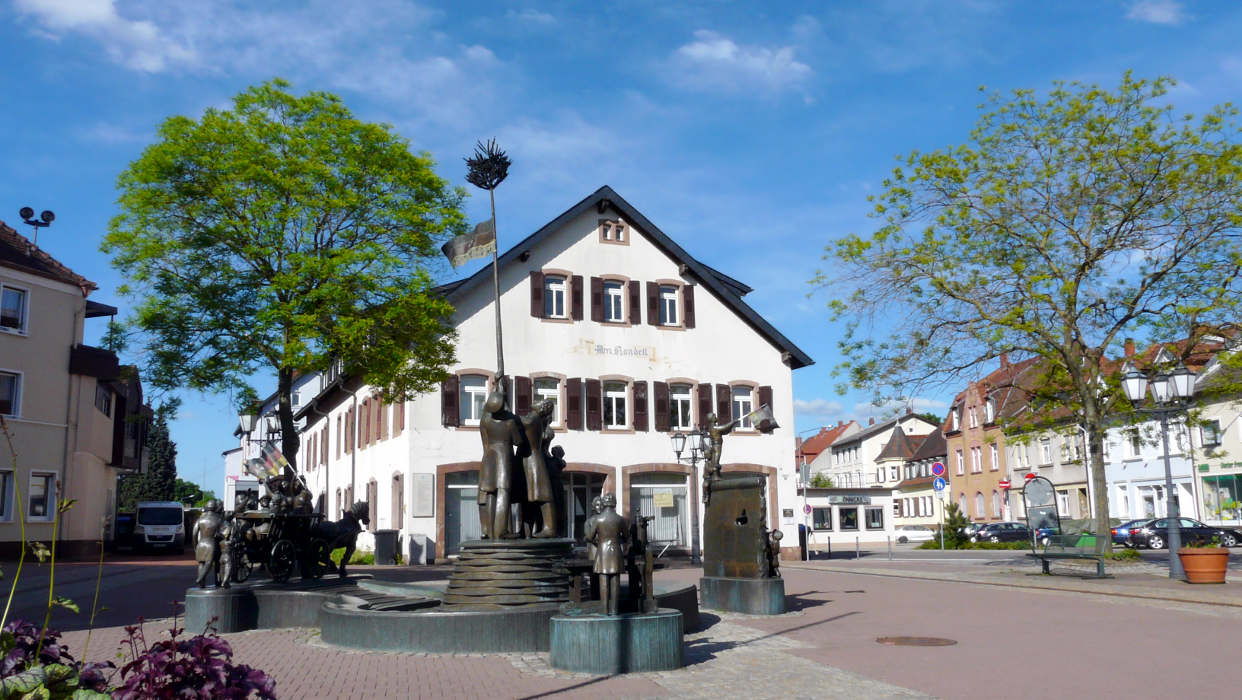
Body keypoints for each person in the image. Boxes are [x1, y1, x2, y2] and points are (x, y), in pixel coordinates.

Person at [478, 377, 522, 539]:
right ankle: (501, 530)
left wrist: (497, 387)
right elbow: (518, 441)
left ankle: (491, 530)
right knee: (503, 491)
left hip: (489, 456)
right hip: (504, 457)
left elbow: (484, 439)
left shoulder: (485, 420)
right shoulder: (509, 423)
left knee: (490, 493)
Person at [519, 399, 558, 538]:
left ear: (542, 408)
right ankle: (525, 530)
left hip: (533, 460)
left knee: (543, 495)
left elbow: (523, 421)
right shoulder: (534, 418)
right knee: (529, 497)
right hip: (527, 460)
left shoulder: (533, 418)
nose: (534, 401)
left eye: (539, 402)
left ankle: (550, 528)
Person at [585, 493, 627, 616]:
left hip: (602, 552)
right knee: (615, 580)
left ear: (604, 504)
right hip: (615, 552)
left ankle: (604, 610)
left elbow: (589, 537)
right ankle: (614, 610)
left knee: (603, 581)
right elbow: (626, 536)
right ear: (615, 503)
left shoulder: (598, 519)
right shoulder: (620, 519)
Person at [194, 500, 225, 588]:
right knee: (215, 563)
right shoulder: (219, 518)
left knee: (201, 563)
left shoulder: (200, 519)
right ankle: (213, 581)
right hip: (213, 543)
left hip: (201, 543)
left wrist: (195, 545)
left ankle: (201, 583)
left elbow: (194, 534)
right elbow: (224, 532)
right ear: (215, 508)